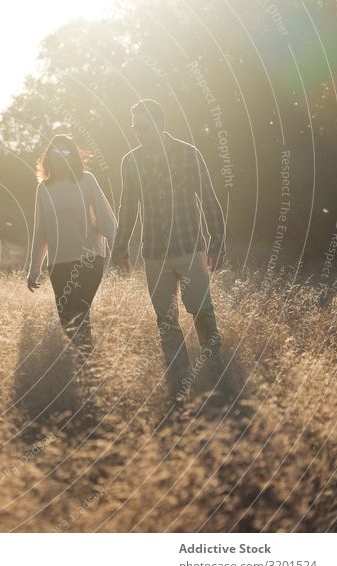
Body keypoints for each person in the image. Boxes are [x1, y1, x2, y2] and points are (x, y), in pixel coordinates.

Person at [111, 99, 226, 398]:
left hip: (190, 247)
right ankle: (179, 382)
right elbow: (128, 208)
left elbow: (209, 198)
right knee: (165, 319)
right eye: (135, 128)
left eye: (144, 127)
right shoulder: (130, 162)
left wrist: (218, 240)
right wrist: (120, 246)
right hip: (154, 253)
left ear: (160, 124)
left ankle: (216, 372)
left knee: (200, 309)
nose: (138, 133)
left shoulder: (188, 154)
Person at [27, 134, 117, 350]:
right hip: (58, 263)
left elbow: (106, 219)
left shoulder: (87, 180)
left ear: (72, 156)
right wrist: (34, 269)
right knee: (67, 319)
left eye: (65, 152)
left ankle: (88, 368)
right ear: (48, 157)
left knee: (80, 313)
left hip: (89, 259)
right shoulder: (43, 189)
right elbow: (40, 232)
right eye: (55, 153)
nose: (60, 157)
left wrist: (119, 251)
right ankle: (83, 364)